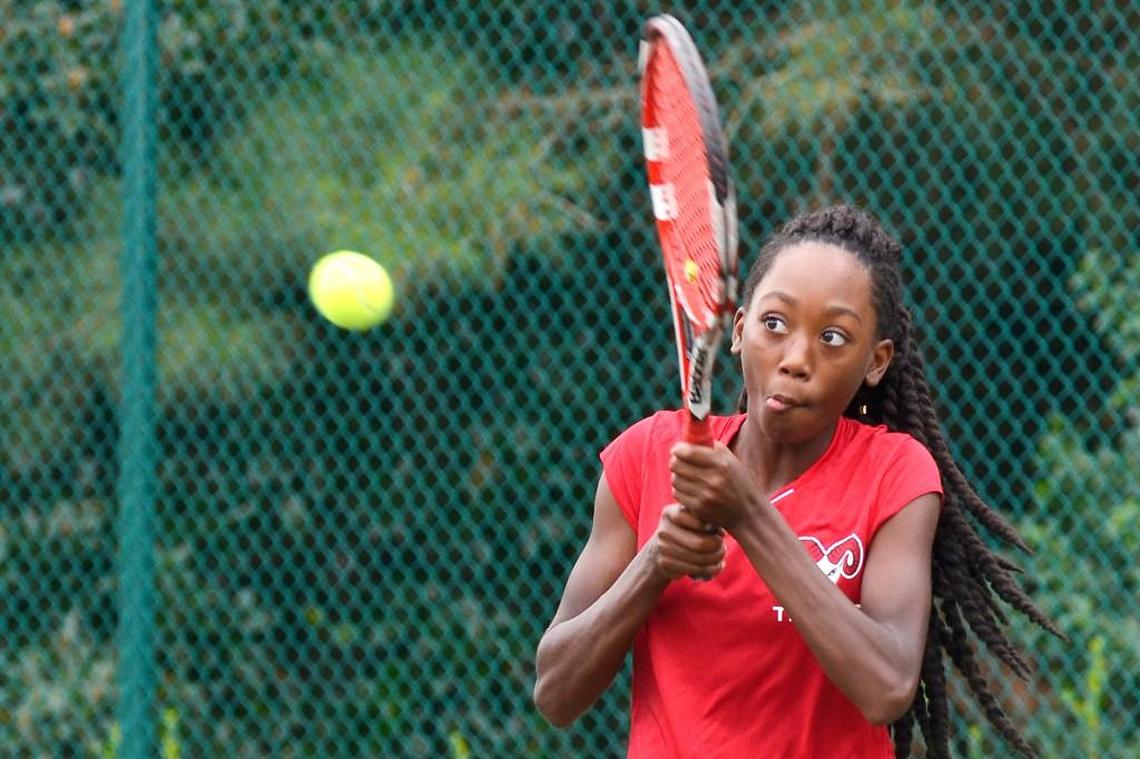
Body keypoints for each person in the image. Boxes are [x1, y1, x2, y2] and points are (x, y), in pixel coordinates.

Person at [533, 204, 1057, 758]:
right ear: (738, 331)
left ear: (875, 362)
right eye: (774, 324)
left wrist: (750, 518)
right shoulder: (648, 457)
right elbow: (556, 693)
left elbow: (887, 687)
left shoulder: (896, 474)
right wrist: (656, 562)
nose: (796, 359)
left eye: (833, 337)